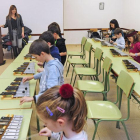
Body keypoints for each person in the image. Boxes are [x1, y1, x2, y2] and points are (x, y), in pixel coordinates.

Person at [20, 39, 64, 104]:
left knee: (47, 113)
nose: (36, 59)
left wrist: (32, 98)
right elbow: (45, 73)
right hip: (44, 97)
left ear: (42, 54)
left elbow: (52, 93)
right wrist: (32, 77)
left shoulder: (53, 68)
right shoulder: (48, 62)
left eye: (36, 57)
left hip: (50, 102)